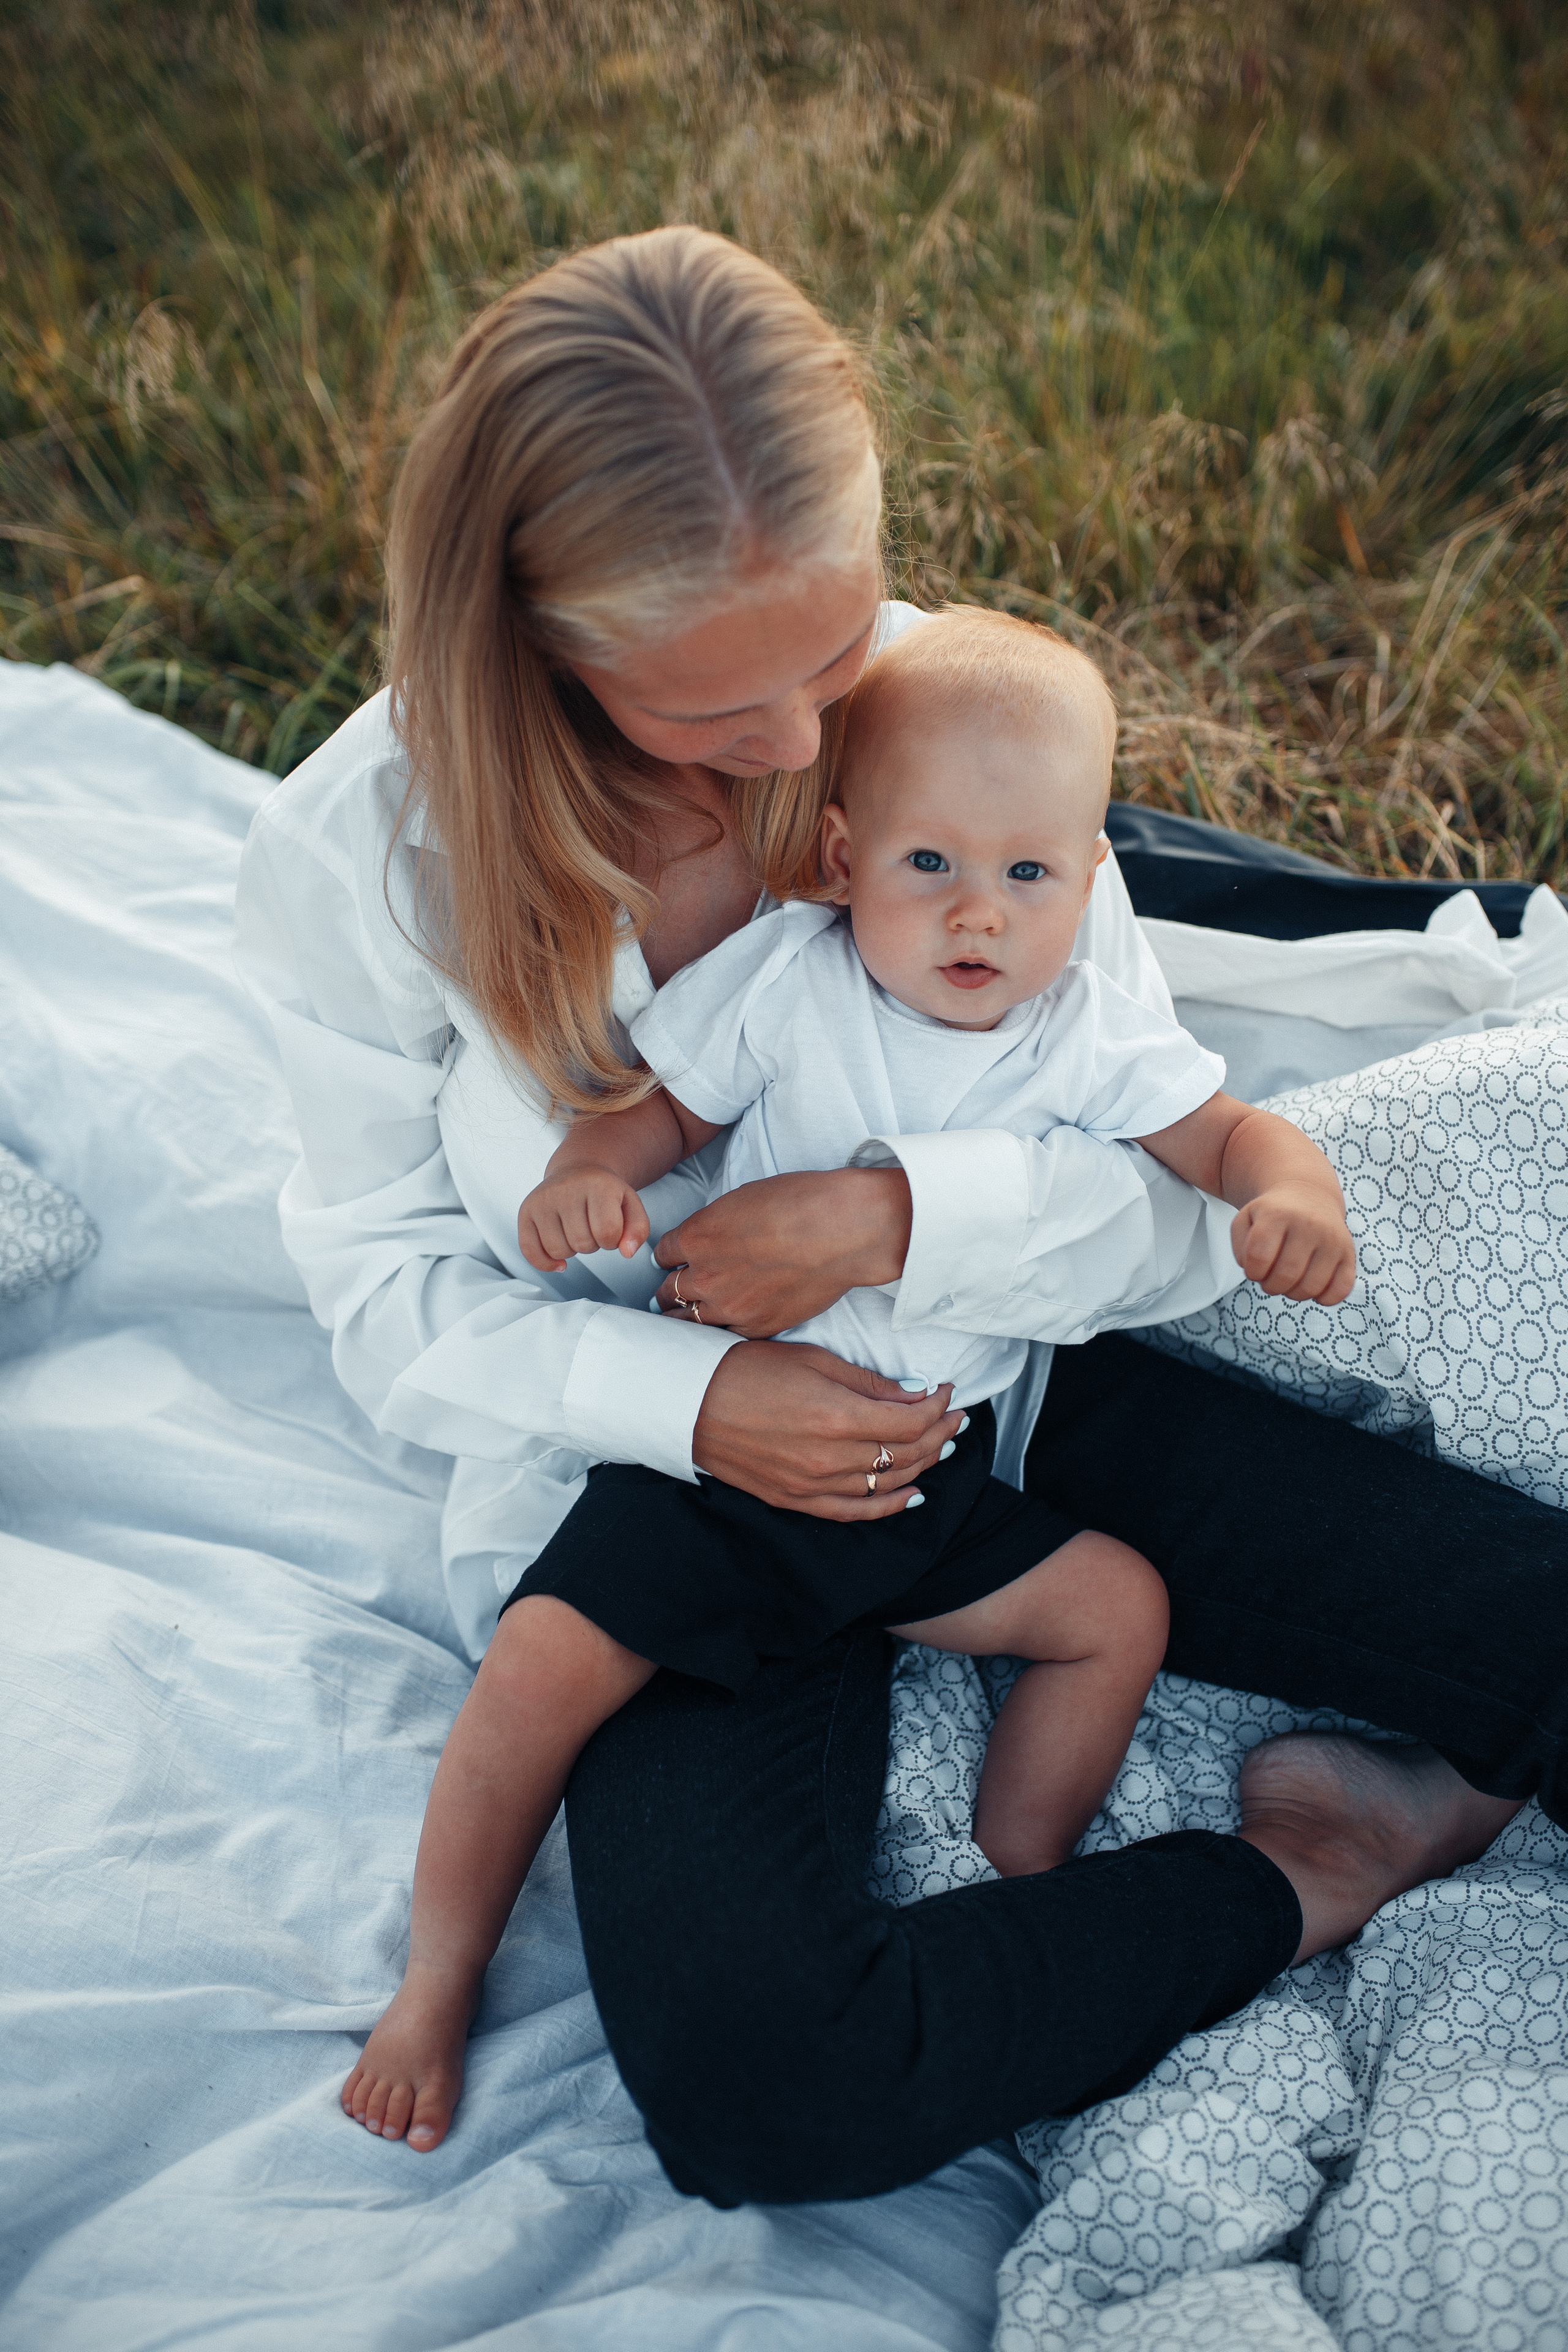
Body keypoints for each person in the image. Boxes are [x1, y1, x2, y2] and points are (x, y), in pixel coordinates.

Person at [235, 225, 1553, 2203]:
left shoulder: (961, 721)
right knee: (760, 2079)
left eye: (830, 651)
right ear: (535, 643)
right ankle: (1304, 1873)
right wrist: (702, 1406)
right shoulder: (362, 860)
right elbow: (388, 1302)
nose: (797, 751)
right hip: (662, 1493)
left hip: (1005, 1390)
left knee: (1533, 1622)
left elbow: (1165, 1204)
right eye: (713, 708)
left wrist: (891, 1220)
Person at [338, 606, 1368, 2148]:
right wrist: (586, 1173)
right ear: (839, 859)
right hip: (714, 1478)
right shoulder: (791, 982)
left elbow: (1224, 1136)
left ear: (1087, 876)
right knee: (536, 1670)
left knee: (1114, 1610)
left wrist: (1292, 1194)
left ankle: (1018, 1865)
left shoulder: (1079, 1031)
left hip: (922, 1481)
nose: (976, 915)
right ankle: (435, 1977)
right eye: (927, 864)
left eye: (1026, 876)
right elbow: (663, 1109)